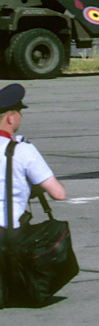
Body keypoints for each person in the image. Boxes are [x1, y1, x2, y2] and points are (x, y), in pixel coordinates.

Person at [0, 84, 65, 230]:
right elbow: (58, 193)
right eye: (19, 112)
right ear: (10, 117)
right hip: (6, 235)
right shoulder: (21, 150)